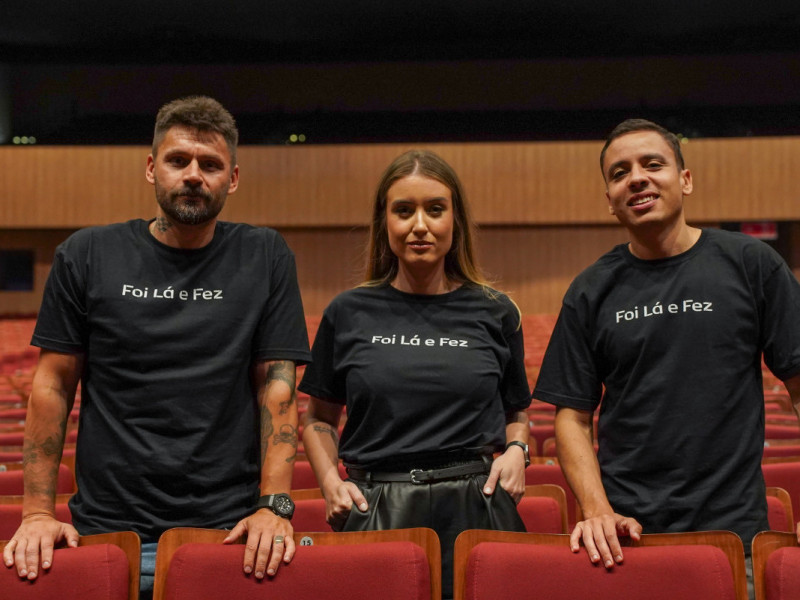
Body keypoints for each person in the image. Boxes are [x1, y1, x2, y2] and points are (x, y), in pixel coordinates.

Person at [3, 96, 312, 596]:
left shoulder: (265, 255)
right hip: (107, 530)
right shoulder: (87, 254)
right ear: (152, 168)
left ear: (232, 178)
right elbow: (53, 384)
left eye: (210, 164)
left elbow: (277, 388)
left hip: (230, 535)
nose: (193, 175)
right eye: (178, 160)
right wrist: (38, 513)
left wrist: (273, 507)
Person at [533, 119, 800, 582]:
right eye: (619, 173)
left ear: (685, 179)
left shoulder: (750, 264)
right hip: (628, 540)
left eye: (653, 164)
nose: (636, 177)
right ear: (610, 200)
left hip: (736, 537)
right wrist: (596, 509)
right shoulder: (591, 289)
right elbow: (572, 417)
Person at [298, 149, 531, 599]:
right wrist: (330, 482)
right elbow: (318, 418)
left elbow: (516, 410)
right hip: (378, 505)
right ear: (384, 222)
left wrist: (518, 449)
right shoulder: (348, 312)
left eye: (435, 209)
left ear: (455, 221)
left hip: (477, 504)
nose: (419, 225)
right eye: (403, 211)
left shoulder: (496, 311)